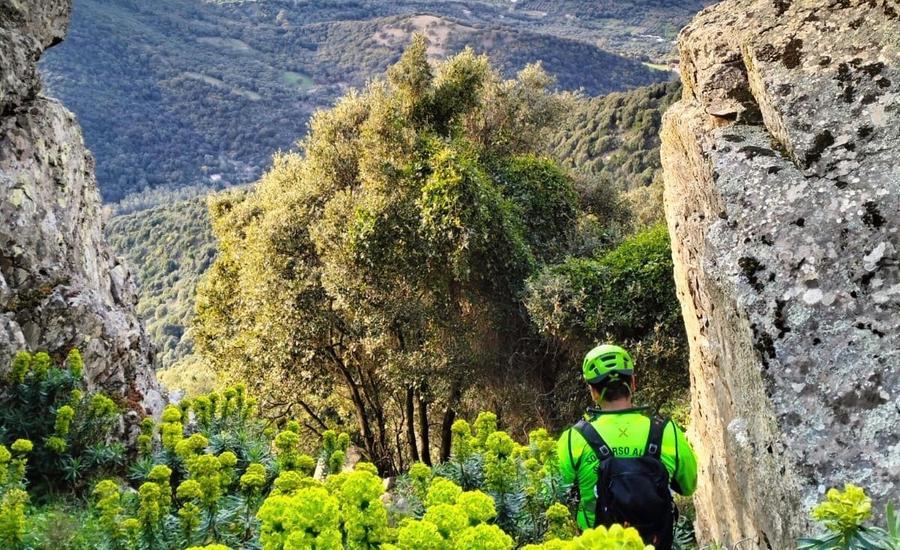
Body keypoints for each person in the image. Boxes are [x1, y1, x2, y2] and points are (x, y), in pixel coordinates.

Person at [556, 344, 697, 549]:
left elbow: (552, 495)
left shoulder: (574, 439)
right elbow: (688, 485)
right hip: (655, 542)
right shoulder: (666, 431)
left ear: (593, 392)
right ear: (633, 382)